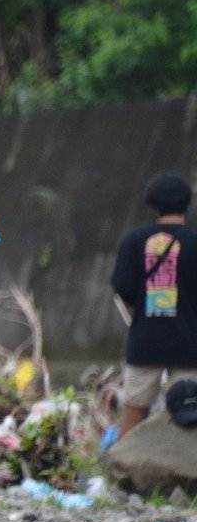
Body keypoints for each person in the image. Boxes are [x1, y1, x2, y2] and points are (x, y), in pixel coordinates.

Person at [110, 172, 197, 439]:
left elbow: (123, 286)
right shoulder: (194, 242)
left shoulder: (134, 240)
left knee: (134, 413)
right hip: (188, 343)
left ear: (154, 203)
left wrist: (147, 304)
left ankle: (122, 464)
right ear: (186, 203)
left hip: (146, 340)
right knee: (190, 416)